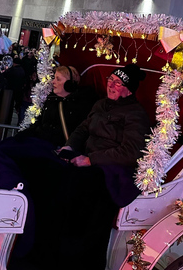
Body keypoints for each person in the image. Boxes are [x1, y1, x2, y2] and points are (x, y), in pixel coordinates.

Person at [52, 64, 150, 270]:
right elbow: (83, 129)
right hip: (89, 160)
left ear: (129, 89)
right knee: (52, 169)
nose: (111, 86)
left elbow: (130, 153)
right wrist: (69, 146)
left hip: (113, 170)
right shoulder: (100, 104)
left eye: (118, 83)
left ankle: (80, 258)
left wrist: (90, 160)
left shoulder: (136, 114)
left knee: (79, 187)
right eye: (110, 80)